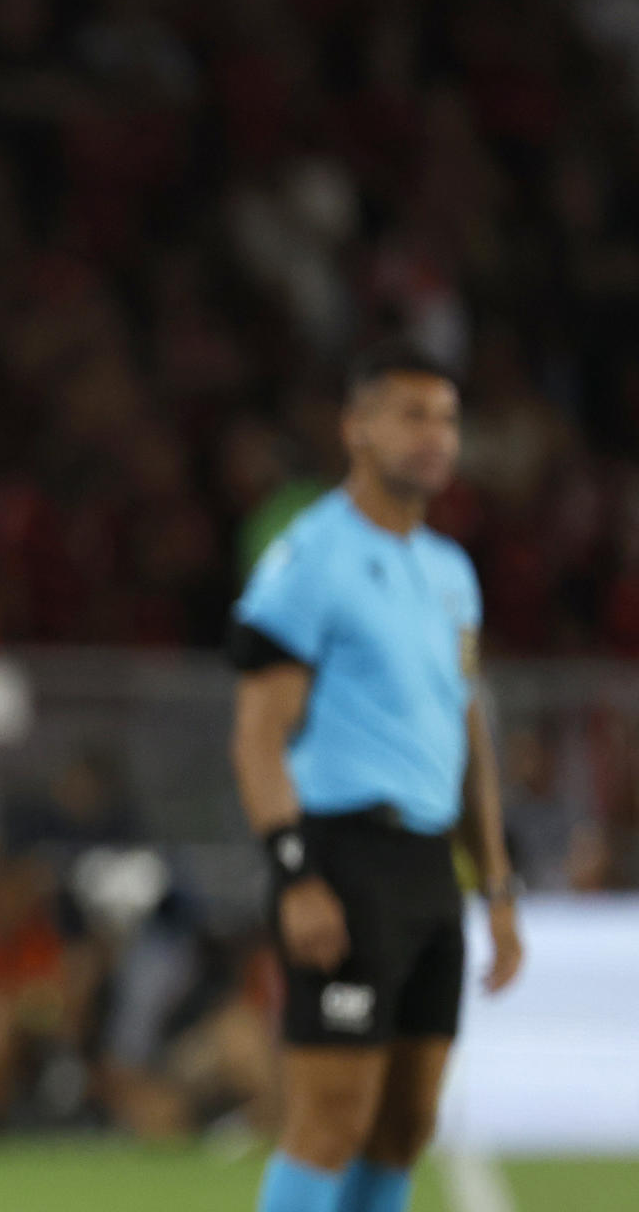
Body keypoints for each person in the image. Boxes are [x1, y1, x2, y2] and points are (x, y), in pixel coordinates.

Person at [227, 347, 525, 1212]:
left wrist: (498, 885)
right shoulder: (310, 557)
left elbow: (467, 734)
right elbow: (255, 735)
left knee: (405, 1123)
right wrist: (296, 877)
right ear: (356, 428)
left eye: (447, 419)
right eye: (411, 415)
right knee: (329, 1118)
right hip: (344, 857)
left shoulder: (450, 573)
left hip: (431, 865)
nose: (435, 436)